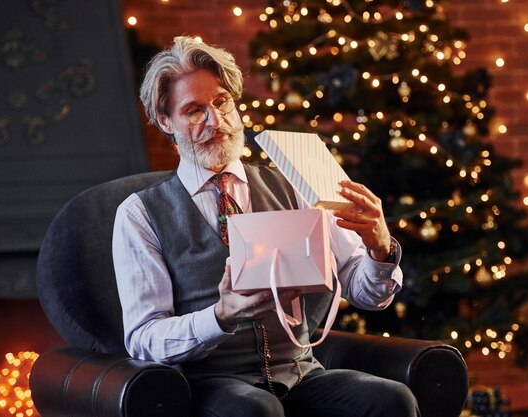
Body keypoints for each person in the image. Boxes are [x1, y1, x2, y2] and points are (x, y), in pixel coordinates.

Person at [112, 36, 420, 417]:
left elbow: (369, 294)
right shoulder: (139, 214)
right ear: (165, 121)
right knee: (257, 410)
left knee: (394, 399)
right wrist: (219, 316)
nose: (216, 121)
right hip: (210, 383)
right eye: (193, 111)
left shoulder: (291, 184)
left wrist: (379, 249)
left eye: (222, 102)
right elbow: (143, 339)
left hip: (299, 373)